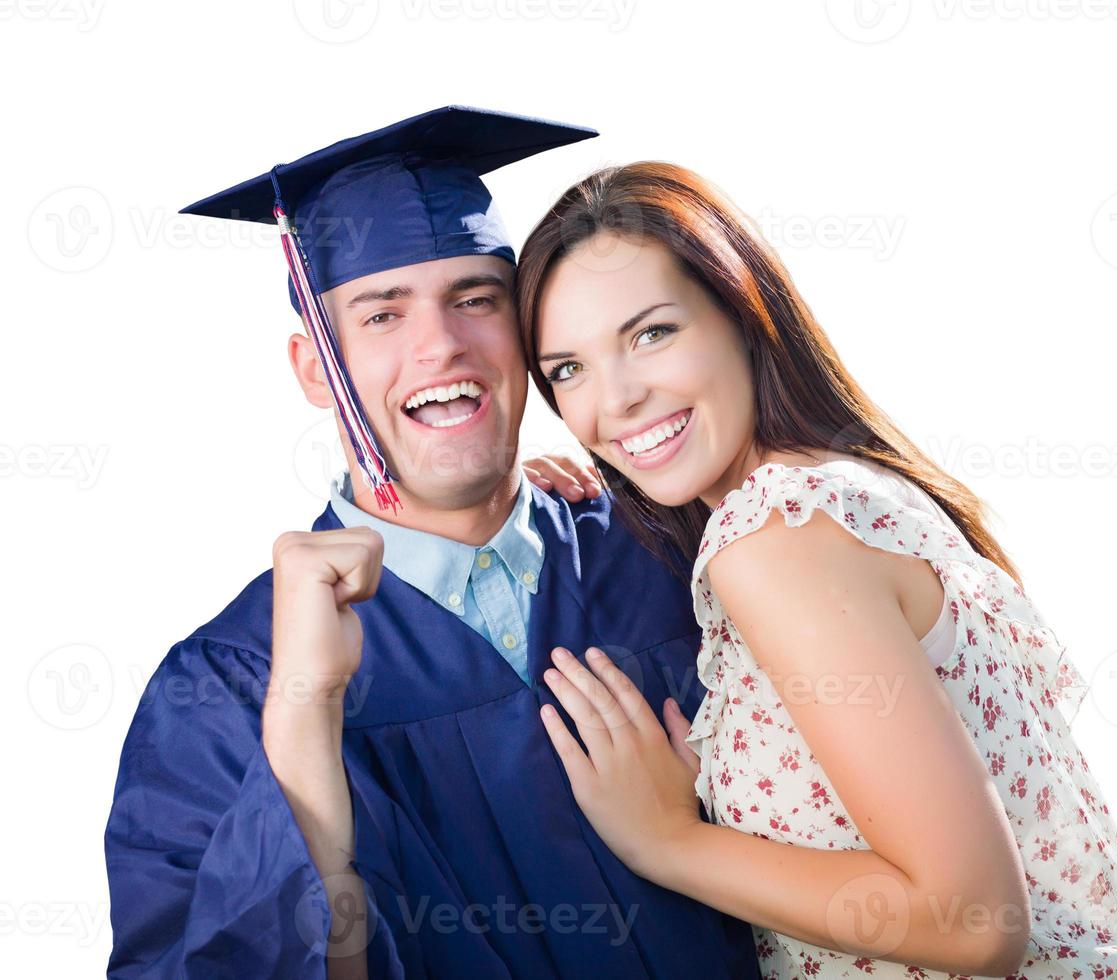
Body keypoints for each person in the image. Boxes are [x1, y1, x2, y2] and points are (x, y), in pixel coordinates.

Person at [103, 110, 761, 979]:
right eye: (381, 316)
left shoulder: (675, 551)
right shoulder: (227, 685)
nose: (441, 344)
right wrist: (303, 721)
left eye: (475, 300)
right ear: (314, 369)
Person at [513, 162, 1117, 979]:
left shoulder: (777, 537)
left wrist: (668, 840)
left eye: (650, 334)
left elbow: (970, 923)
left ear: (742, 314)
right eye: (567, 369)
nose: (613, 402)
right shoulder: (840, 491)